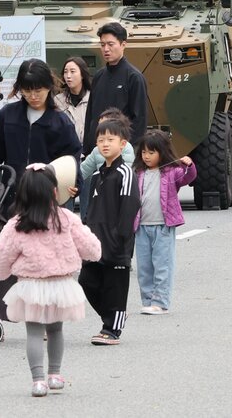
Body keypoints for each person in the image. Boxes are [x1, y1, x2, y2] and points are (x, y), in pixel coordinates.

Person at [0, 165, 102, 398]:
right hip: (61, 285)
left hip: (31, 286)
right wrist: (95, 253)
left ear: (23, 193)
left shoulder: (16, 224)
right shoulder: (66, 218)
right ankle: (55, 375)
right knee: (55, 330)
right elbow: (91, 247)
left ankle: (38, 381)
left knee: (33, 333)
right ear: (54, 192)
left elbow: (2, 256)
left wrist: (1, 274)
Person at [79, 113, 140, 345]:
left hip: (117, 243)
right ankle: (111, 318)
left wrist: (120, 237)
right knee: (87, 280)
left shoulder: (125, 173)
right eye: (101, 139)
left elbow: (130, 205)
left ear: (122, 144)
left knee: (115, 287)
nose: (105, 144)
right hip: (95, 242)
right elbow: (91, 210)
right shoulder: (96, 177)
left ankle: (113, 328)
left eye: (110, 139)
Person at [0, 58, 82, 186]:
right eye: (26, 91)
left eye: (38, 91)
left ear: (49, 87)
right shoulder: (7, 115)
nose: (33, 96)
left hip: (46, 195)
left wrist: (75, 183)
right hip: (12, 193)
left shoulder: (61, 122)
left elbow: (71, 159)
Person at [132, 130, 196, 315]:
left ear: (162, 152)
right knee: (144, 267)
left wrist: (189, 165)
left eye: (151, 152)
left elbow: (188, 177)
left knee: (162, 265)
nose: (147, 156)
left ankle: (160, 302)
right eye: (144, 152)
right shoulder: (138, 173)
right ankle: (148, 300)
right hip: (141, 227)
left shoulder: (171, 172)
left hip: (163, 227)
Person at [83, 23, 149, 150]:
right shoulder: (98, 76)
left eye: (110, 44)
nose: (106, 49)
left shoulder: (134, 77)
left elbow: (139, 120)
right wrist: (87, 148)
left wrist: (127, 150)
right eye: (102, 45)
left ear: (123, 44)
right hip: (96, 150)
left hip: (120, 152)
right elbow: (90, 116)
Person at [55, 56, 93, 137]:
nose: (68, 76)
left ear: (82, 75)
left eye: (72, 71)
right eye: (65, 72)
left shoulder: (93, 98)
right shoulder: (58, 100)